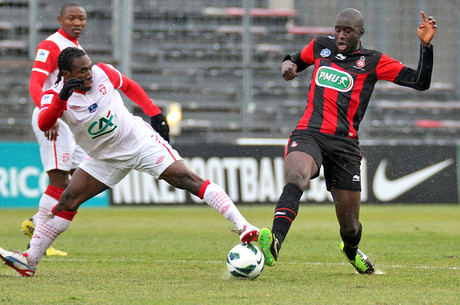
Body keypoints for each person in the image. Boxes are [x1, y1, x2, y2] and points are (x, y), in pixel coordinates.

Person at [0, 47, 259, 277]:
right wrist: (62, 98)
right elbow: (45, 122)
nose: (89, 74)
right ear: (67, 74)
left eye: (89, 68)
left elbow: (129, 86)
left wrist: (154, 111)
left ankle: (243, 225)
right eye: (82, 71)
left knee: (188, 179)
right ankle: (29, 261)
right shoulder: (55, 95)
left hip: (139, 142)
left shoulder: (103, 73)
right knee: (67, 201)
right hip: (104, 158)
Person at [257, 8, 436, 274]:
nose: (340, 35)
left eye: (347, 31)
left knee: (350, 228)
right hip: (309, 133)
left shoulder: (373, 60)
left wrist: (425, 46)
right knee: (296, 176)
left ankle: (351, 251)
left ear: (360, 34)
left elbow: (420, 82)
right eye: (338, 29)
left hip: (345, 145)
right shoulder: (321, 46)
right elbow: (295, 59)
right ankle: (275, 241)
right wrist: (288, 64)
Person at [24, 2, 88, 256]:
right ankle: (36, 238)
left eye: (81, 19)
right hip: (53, 119)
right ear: (60, 19)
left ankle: (35, 223)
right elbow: (35, 84)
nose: (77, 23)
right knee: (60, 180)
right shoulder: (50, 46)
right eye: (72, 18)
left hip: (69, 121)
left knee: (81, 172)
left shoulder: (76, 48)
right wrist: (46, 114)